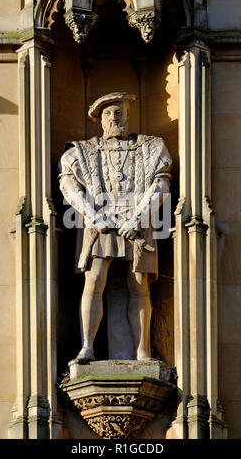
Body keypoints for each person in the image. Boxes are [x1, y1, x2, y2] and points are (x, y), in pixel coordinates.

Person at [58, 92, 172, 364]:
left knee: (139, 283)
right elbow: (68, 185)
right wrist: (93, 215)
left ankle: (142, 351)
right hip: (99, 220)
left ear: (128, 115)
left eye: (119, 111)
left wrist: (139, 217)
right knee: (95, 278)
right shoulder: (81, 150)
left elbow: (161, 184)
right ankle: (87, 346)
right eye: (108, 112)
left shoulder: (151, 147)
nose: (114, 116)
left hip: (138, 220)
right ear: (100, 119)